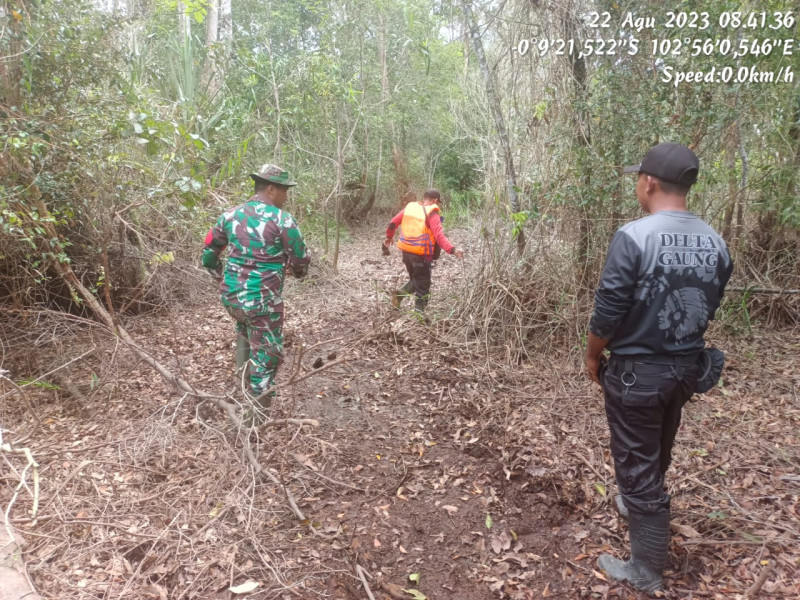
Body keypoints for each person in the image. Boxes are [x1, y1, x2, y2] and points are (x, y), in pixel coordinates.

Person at [585, 143, 732, 592]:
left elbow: (608, 308)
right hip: (686, 368)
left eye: (637, 178)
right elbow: (710, 301)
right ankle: (637, 502)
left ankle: (646, 569)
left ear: (648, 182)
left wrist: (592, 355)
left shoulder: (635, 236)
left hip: (638, 374)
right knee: (660, 435)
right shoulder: (717, 241)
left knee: (635, 458)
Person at [202, 164, 310, 415]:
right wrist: (298, 272)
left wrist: (221, 277)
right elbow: (301, 259)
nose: (286, 196)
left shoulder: (229, 215)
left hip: (231, 299)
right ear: (271, 189)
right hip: (262, 304)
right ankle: (256, 418)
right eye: (284, 190)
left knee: (244, 331)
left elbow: (208, 254)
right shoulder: (282, 219)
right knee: (267, 354)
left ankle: (242, 386)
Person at [383, 189, 464, 311]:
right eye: (438, 202)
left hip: (406, 252)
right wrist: (452, 250)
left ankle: (399, 295)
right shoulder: (432, 214)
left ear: (424, 198)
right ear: (435, 200)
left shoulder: (410, 208)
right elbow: (439, 236)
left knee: (416, 280)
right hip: (421, 255)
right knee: (423, 286)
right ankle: (419, 315)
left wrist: (389, 237)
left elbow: (393, 223)